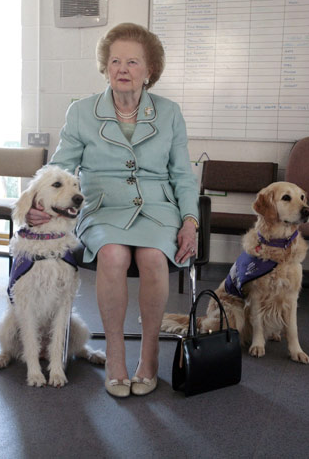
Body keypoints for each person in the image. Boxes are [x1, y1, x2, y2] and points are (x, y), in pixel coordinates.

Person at [27, 23, 199, 398]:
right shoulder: (81, 112)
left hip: (156, 207)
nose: (123, 68)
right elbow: (61, 167)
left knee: (154, 257)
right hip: (102, 206)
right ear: (105, 67)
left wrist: (190, 221)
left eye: (133, 61)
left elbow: (183, 175)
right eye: (115, 60)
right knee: (112, 253)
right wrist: (37, 204)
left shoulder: (169, 113)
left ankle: (149, 354)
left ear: (149, 70)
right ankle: (117, 354)